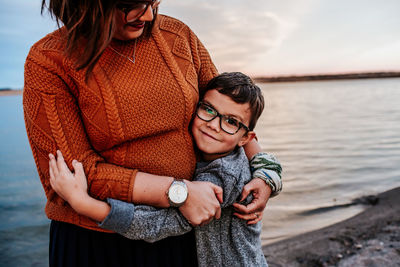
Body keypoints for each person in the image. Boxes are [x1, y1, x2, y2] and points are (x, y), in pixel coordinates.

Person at [23, 0, 282, 266]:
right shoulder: (48, 60)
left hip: (183, 233)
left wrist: (265, 173)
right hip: (97, 240)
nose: (147, 15)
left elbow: (230, 112)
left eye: (153, 2)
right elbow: (71, 172)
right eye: (129, 5)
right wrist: (178, 192)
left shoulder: (177, 35)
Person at [49, 72, 281, 266]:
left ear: (246, 138)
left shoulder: (224, 177)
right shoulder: (211, 152)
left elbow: (159, 224)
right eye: (208, 110)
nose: (213, 125)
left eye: (231, 122)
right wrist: (271, 174)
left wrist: (83, 203)